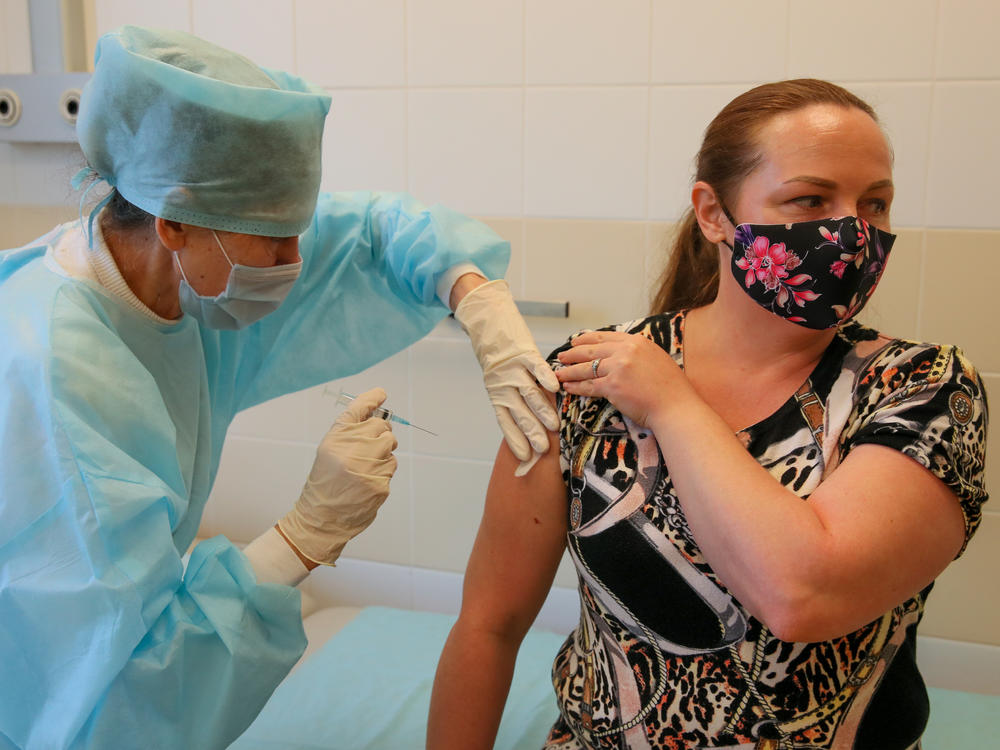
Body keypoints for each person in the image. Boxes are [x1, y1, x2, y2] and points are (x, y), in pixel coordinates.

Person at [0, 26, 559, 750]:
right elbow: (121, 702)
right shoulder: (56, 378)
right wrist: (305, 534)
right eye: (276, 244)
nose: (297, 262)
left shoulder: (178, 282)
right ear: (174, 222)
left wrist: (473, 295)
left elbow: (370, 234)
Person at [427, 79, 990, 749]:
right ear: (714, 213)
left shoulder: (922, 387)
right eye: (810, 198)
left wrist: (671, 401)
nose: (854, 232)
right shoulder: (591, 375)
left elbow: (801, 597)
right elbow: (489, 621)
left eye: (876, 202)